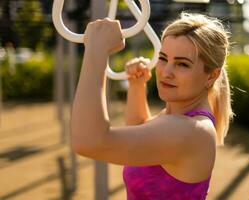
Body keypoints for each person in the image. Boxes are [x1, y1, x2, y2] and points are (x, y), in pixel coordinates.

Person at [71, 13, 233, 200]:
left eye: (182, 64)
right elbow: (140, 129)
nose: (166, 72)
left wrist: (96, 50)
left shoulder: (193, 131)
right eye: (163, 59)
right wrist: (137, 86)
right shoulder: (177, 119)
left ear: (212, 75)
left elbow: (88, 142)